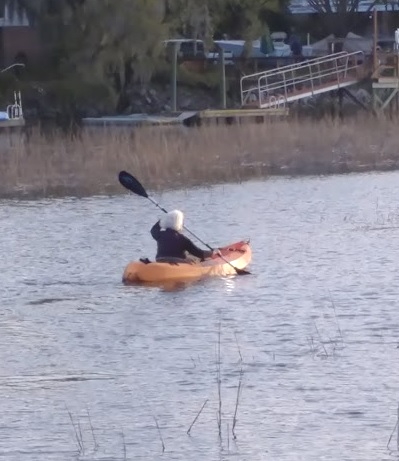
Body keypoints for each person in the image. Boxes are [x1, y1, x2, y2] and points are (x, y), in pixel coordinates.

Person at [150, 210, 220, 263]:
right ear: (179, 223)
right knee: (196, 258)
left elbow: (153, 229)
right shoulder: (182, 239)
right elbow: (199, 253)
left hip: (160, 259)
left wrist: (163, 218)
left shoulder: (160, 234)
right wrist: (212, 252)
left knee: (188, 254)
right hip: (177, 262)